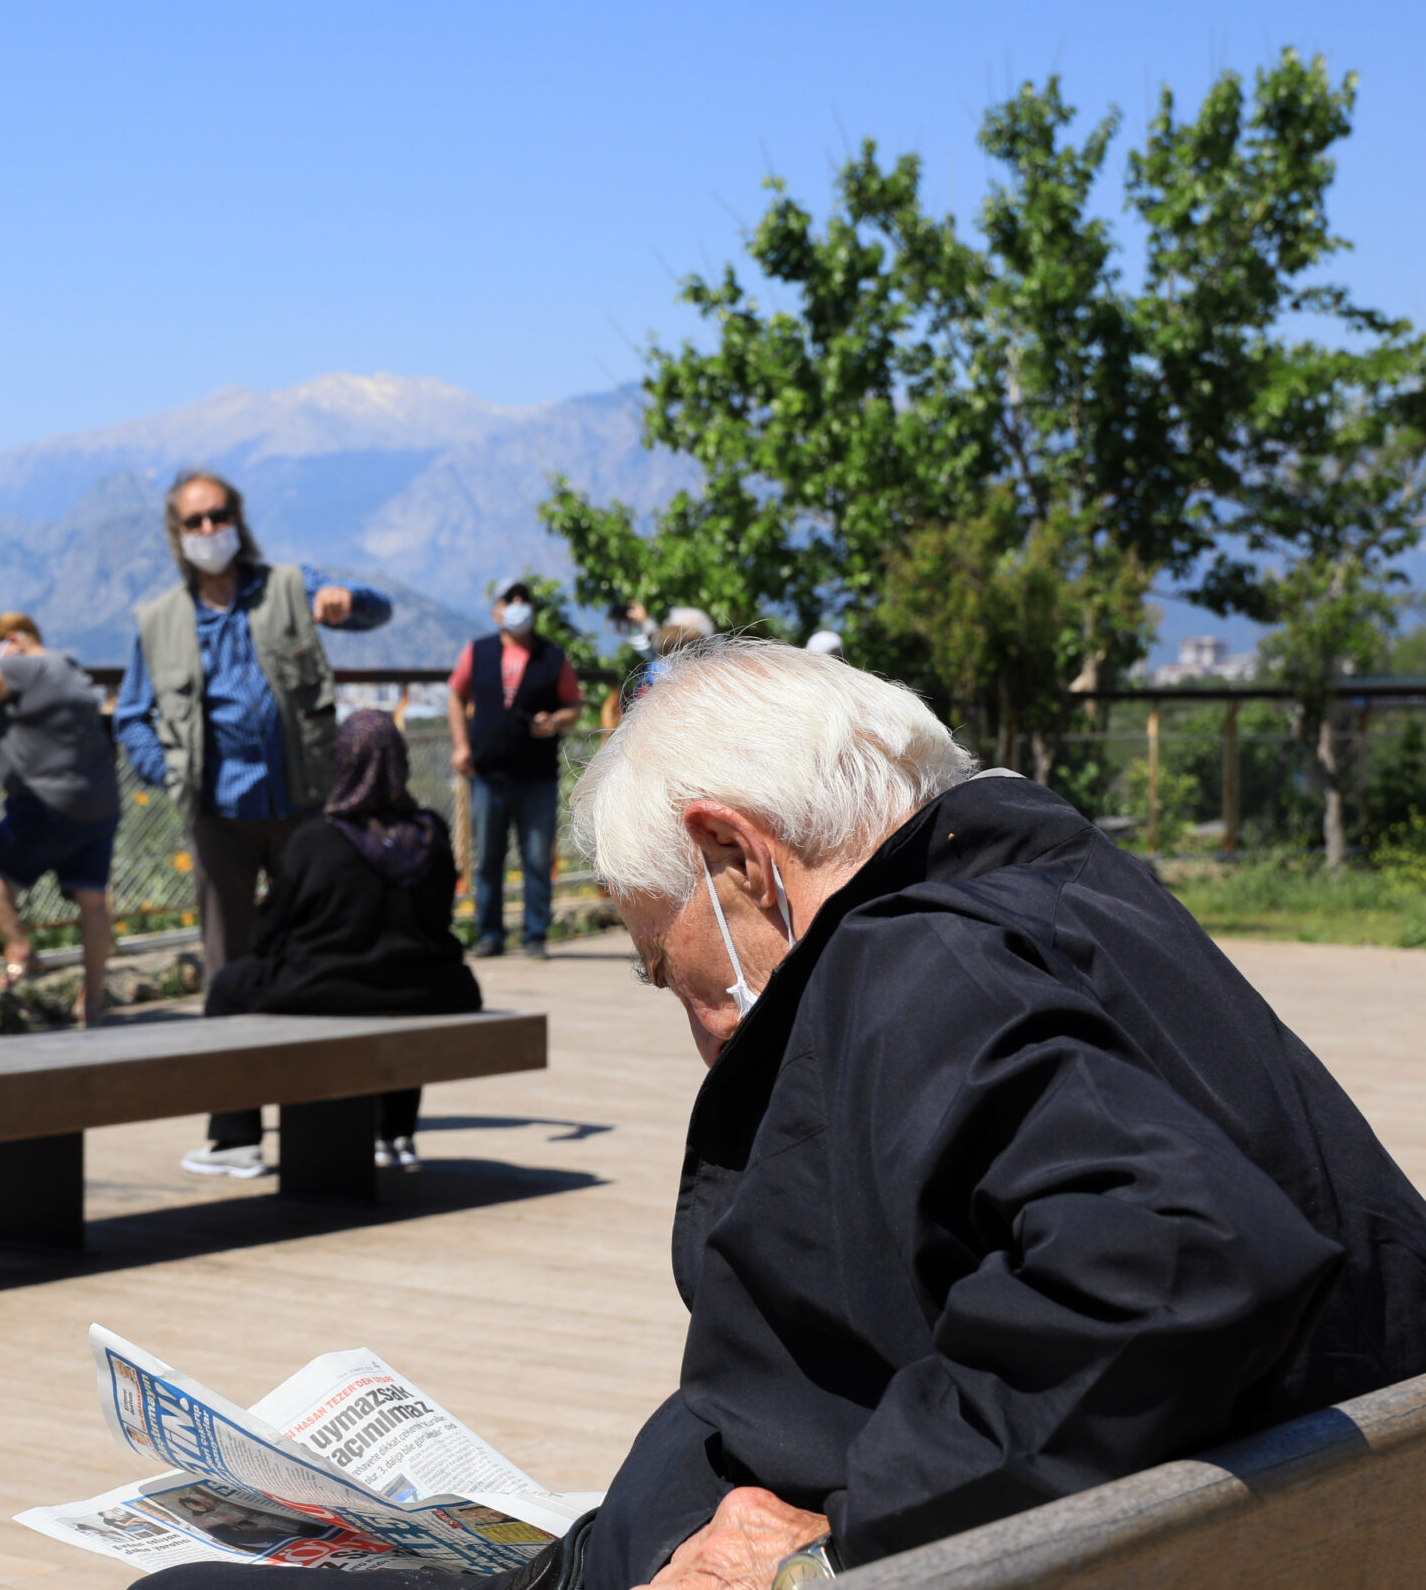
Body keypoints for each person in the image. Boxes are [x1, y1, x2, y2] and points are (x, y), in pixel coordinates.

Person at [141, 638, 1426, 1590]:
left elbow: (1179, 1251)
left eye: (667, 966)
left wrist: (846, 1539)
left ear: (739, 856)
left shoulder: (919, 964)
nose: (697, 1026)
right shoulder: (1069, 901)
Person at [109, 470, 391, 1177]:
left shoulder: (290, 586)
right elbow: (132, 716)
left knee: (321, 955)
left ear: (238, 519)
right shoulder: (160, 621)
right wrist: (172, 774)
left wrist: (348, 600)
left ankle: (332, 1111)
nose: (209, 532)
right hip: (219, 815)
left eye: (218, 516)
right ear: (178, 534)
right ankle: (235, 1130)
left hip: (302, 809)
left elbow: (374, 608)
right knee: (229, 967)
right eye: (194, 522)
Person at [200, 709, 480, 1168]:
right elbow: (438, 918)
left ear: (342, 763)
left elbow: (271, 932)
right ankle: (394, 1135)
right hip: (426, 988)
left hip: (324, 986)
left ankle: (237, 1140)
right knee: (400, 997)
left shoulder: (316, 841)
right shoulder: (430, 833)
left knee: (229, 987)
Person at [0, 612, 121, 1023]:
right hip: (100, 799)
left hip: (47, 800)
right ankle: (92, 1000)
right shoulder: (68, 668)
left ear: (13, 640)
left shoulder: (23, 665)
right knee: (93, 900)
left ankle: (20, 949)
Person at [447, 582, 584, 960]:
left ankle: (535, 935)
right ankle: (489, 934)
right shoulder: (477, 651)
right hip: (487, 773)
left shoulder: (552, 656)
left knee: (538, 857)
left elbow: (574, 705)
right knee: (487, 859)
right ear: (496, 611)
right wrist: (461, 746)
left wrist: (554, 721)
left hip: (536, 775)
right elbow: (456, 695)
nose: (519, 607)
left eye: (525, 601)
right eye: (511, 601)